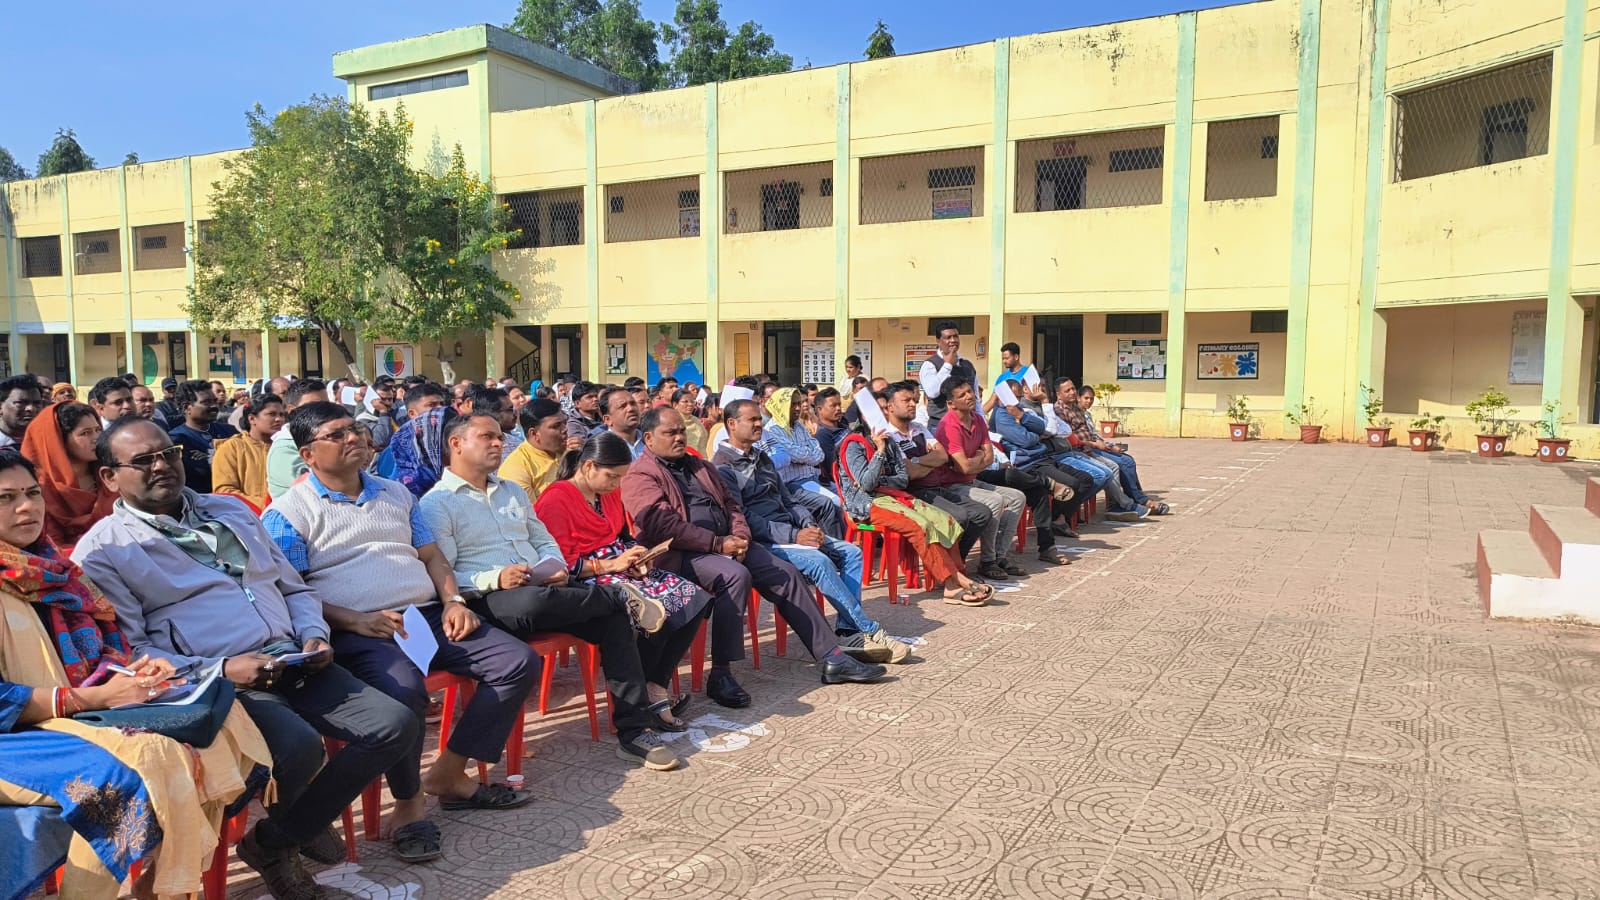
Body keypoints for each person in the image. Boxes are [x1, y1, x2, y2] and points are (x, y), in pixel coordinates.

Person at [73, 418, 416, 899]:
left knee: (395, 723)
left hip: (292, 656)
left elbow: (291, 586)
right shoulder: (105, 551)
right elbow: (131, 650)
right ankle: (291, 841)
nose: (162, 466)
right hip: (220, 682)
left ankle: (275, 839)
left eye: (168, 453)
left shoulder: (230, 511)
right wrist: (222, 669)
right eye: (143, 461)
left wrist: (314, 636)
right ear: (110, 477)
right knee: (299, 747)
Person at [264, 404, 538, 861]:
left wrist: (453, 600)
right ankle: (409, 804)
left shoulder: (396, 493)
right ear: (309, 454)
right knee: (404, 692)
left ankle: (449, 772)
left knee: (516, 662)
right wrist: (353, 620)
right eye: (339, 434)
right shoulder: (288, 513)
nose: (354, 437)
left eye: (355, 429)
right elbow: (292, 591)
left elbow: (431, 556)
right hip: (358, 629)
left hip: (425, 614)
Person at [0, 449, 272, 900]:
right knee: (128, 772)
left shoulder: (56, 570)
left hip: (66, 715)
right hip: (15, 732)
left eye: (31, 493)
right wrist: (89, 699)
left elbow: (101, 647)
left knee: (218, 724)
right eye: (5, 499)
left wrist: (130, 672)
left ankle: (160, 884)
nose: (26, 507)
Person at [422, 417, 687, 770]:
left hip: (543, 587)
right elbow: (444, 571)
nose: (498, 444)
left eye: (500, 437)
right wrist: (496, 577)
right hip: (489, 599)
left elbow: (542, 538)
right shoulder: (436, 503)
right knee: (535, 601)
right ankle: (620, 596)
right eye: (487, 437)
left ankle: (635, 730)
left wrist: (552, 564)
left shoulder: (510, 491)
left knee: (612, 621)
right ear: (456, 444)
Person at [622, 407, 885, 709]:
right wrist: (717, 544)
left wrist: (740, 537)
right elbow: (662, 525)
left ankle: (831, 657)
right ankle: (721, 673)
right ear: (649, 438)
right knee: (734, 576)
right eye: (670, 433)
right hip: (681, 554)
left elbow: (733, 506)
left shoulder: (699, 466)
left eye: (681, 431)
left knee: (784, 573)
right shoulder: (641, 474)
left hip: (728, 543)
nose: (680, 437)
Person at [536, 434, 715, 731]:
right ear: (589, 466)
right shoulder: (556, 499)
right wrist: (610, 565)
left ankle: (654, 683)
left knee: (693, 598)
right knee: (650, 607)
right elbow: (560, 565)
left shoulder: (606, 494)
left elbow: (621, 535)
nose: (616, 485)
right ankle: (645, 697)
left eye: (621, 477)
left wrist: (638, 555)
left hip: (620, 567)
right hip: (587, 577)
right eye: (612, 476)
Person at [715, 400, 909, 664]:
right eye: (752, 420)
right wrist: (794, 536)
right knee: (819, 562)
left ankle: (848, 632)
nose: (759, 424)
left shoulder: (760, 457)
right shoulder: (723, 467)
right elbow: (743, 518)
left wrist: (807, 524)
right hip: (765, 542)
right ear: (732, 424)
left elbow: (788, 498)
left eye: (759, 419)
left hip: (793, 530)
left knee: (851, 553)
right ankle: (868, 630)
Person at [835, 392, 992, 606]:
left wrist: (882, 479)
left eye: (884, 409)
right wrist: (879, 453)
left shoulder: (890, 442)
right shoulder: (854, 444)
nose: (883, 415)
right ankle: (952, 583)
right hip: (866, 504)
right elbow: (868, 485)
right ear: (865, 417)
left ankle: (958, 576)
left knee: (945, 520)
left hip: (894, 496)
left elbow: (902, 478)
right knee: (920, 525)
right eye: (877, 411)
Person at [924, 380, 1029, 581]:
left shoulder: (978, 420)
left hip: (972, 480)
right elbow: (963, 467)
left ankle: (999, 556)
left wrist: (976, 462)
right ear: (951, 404)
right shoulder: (949, 425)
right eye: (962, 395)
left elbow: (988, 458)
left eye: (970, 392)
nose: (970, 396)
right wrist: (979, 458)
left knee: (1017, 497)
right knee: (994, 501)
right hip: (951, 485)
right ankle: (987, 561)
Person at [879, 381, 990, 564]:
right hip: (912, 494)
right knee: (959, 516)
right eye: (906, 400)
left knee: (981, 512)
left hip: (935, 486)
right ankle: (947, 569)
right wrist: (925, 463)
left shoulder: (919, 429)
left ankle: (955, 562)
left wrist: (916, 460)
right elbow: (909, 473)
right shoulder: (889, 436)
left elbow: (942, 456)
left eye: (913, 400)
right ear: (890, 406)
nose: (913, 404)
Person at [989, 390, 1091, 565]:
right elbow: (1027, 440)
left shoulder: (1020, 410)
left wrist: (1023, 417)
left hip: (1038, 459)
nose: (1016, 400)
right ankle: (991, 559)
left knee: (1044, 492)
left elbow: (1047, 429)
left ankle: (1047, 548)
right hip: (1020, 466)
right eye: (1012, 397)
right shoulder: (1000, 417)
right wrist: (1039, 436)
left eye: (1018, 396)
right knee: (1016, 478)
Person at [1047, 377, 1149, 522]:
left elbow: (1090, 433)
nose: (1072, 392)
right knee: (1105, 472)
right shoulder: (1058, 411)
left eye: (1073, 389)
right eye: (1067, 390)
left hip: (1088, 449)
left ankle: (1118, 505)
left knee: (1118, 464)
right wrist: (1095, 445)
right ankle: (1126, 504)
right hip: (1075, 451)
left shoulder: (1076, 408)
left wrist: (1104, 444)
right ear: (1059, 394)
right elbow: (1068, 438)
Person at [19, 403, 115, 553]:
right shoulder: (40, 489)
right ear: (58, 441)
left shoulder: (111, 474)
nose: (96, 438)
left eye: (98, 430)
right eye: (85, 433)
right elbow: (52, 545)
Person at [1079, 385, 1169, 515]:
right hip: (1088, 449)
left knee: (1128, 460)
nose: (1088, 401)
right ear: (1079, 398)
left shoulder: (1087, 414)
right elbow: (1085, 439)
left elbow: (1095, 436)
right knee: (1120, 464)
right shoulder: (1074, 414)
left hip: (1098, 445)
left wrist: (1111, 445)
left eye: (1091, 399)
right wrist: (1106, 446)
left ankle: (1136, 497)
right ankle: (1133, 501)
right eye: (1086, 398)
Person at [213, 393, 287, 509]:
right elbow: (224, 491)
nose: (279, 419)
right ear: (252, 419)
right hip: (244, 519)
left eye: (282, 415)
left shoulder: (286, 447)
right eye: (271, 414)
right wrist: (268, 505)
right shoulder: (231, 447)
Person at [167, 379, 239, 495]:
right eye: (206, 402)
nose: (214, 406)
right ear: (187, 408)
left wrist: (211, 458)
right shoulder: (176, 440)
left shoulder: (230, 432)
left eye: (214, 401)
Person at [265, 378, 327, 500]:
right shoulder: (284, 448)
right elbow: (318, 487)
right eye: (313, 406)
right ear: (292, 411)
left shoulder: (324, 436)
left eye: (326, 405)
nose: (324, 411)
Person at [499, 398, 565, 500]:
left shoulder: (570, 452)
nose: (565, 429)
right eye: (556, 426)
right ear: (534, 433)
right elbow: (530, 514)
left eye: (565, 423)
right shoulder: (516, 468)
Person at [918, 321, 978, 429]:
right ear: (938, 341)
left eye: (955, 336)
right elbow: (932, 392)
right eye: (948, 337)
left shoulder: (967, 365)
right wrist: (948, 365)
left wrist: (981, 420)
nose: (953, 340)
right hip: (941, 426)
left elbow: (976, 397)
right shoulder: (929, 365)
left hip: (969, 424)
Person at [813, 387, 848, 485]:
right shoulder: (822, 435)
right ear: (820, 409)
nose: (838, 408)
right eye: (833, 405)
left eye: (839, 404)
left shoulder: (844, 426)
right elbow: (832, 468)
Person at [0, 374, 44, 449]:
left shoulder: (48, 444)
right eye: (21, 403)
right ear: (1, 407)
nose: (31, 409)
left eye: (37, 403)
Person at [356, 377, 399, 452]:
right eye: (383, 399)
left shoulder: (395, 413)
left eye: (390, 399)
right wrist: (383, 412)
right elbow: (381, 440)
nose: (388, 403)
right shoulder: (363, 420)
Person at [600, 386, 645, 458]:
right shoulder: (601, 449)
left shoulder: (650, 440)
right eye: (622, 406)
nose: (631, 409)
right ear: (608, 419)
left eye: (633, 403)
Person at [673, 388, 707, 454]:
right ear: (675, 405)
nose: (690, 404)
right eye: (685, 402)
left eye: (692, 401)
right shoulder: (672, 422)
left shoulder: (697, 422)